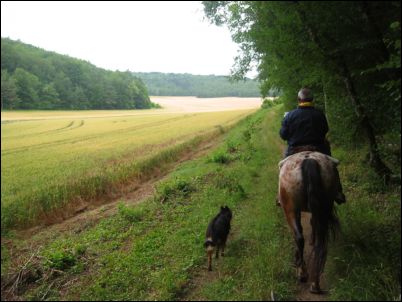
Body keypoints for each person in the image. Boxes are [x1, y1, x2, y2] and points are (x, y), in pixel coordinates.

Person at [278, 88, 346, 204]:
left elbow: (283, 135)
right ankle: (338, 192)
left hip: (295, 149)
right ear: (312, 99)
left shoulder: (290, 116)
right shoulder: (320, 114)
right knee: (332, 166)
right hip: (318, 148)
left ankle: (280, 196)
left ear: (299, 100)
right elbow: (325, 130)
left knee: (282, 167)